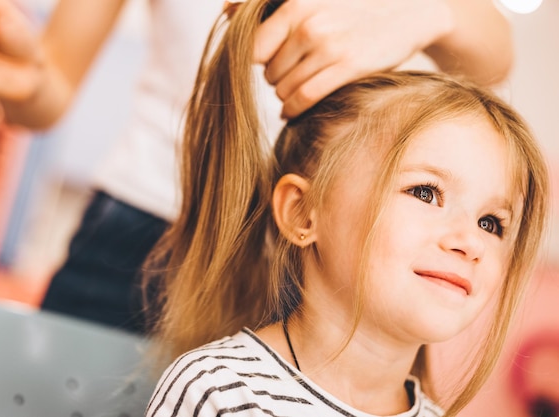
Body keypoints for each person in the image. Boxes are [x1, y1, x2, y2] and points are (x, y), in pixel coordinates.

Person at [0, 0, 514, 332]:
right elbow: (53, 84)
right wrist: (26, 76)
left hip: (317, 263)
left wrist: (421, 10)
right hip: (137, 239)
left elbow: (495, 48)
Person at [142, 1, 549, 416]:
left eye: (491, 223)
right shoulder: (221, 392)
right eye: (425, 192)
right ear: (303, 213)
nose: (470, 242)